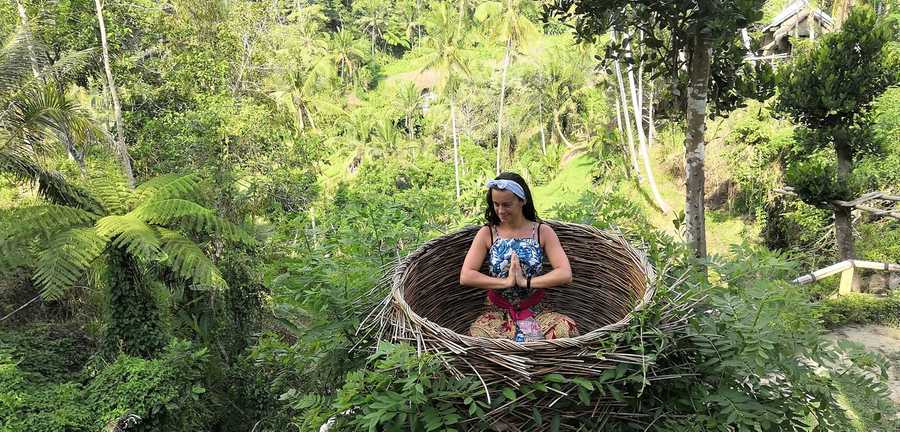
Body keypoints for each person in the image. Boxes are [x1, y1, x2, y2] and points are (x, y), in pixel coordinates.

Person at [460, 172, 578, 341]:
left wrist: (526, 282)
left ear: (523, 201)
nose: (500, 210)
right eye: (496, 204)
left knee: (564, 329)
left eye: (507, 204)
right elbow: (466, 275)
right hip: (496, 310)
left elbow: (565, 273)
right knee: (477, 339)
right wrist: (505, 282)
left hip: (538, 309)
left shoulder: (541, 232)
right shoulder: (488, 233)